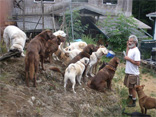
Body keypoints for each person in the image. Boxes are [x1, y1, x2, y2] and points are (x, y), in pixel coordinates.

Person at [124, 35, 141, 107]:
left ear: (135, 42)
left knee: (133, 88)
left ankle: (134, 101)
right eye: (129, 41)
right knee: (129, 87)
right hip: (128, 72)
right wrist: (127, 46)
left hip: (133, 74)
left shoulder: (136, 51)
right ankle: (130, 97)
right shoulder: (131, 49)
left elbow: (138, 63)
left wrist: (129, 59)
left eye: (131, 41)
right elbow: (128, 54)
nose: (129, 42)